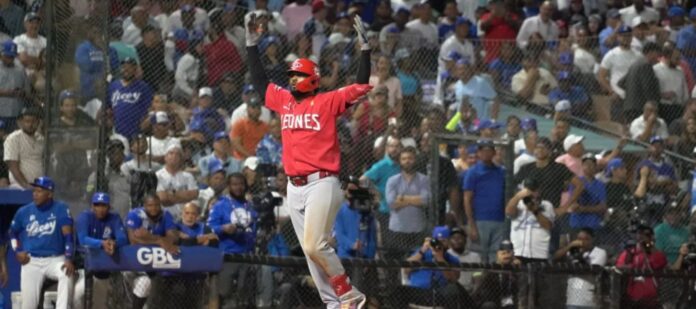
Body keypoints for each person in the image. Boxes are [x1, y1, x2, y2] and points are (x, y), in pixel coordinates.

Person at [246, 12, 374, 307]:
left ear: (312, 78)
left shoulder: (327, 101)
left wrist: (365, 52)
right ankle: (333, 304)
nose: (293, 79)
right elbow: (259, 80)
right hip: (294, 186)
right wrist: (252, 43)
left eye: (298, 75)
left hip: (322, 182)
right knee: (311, 252)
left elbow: (358, 86)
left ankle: (348, 293)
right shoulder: (286, 102)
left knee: (314, 243)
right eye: (291, 75)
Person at [9, 177, 75, 309]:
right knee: (28, 305)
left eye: (39, 191)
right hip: (31, 261)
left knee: (66, 274)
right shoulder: (24, 211)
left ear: (49, 194)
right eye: (34, 191)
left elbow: (68, 236)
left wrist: (68, 258)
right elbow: (12, 233)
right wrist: (17, 251)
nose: (35, 194)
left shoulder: (61, 209)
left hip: (55, 259)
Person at [207, 173, 258, 307]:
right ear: (229, 186)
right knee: (225, 292)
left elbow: (255, 228)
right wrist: (223, 228)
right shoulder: (220, 205)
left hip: (247, 255)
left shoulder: (250, 206)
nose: (238, 187)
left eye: (241, 184)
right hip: (228, 255)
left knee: (245, 293)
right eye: (234, 184)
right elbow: (209, 228)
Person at [73, 192, 128, 309]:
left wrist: (114, 243)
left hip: (103, 268)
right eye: (97, 205)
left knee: (99, 303)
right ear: (92, 206)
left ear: (109, 207)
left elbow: (123, 239)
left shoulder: (114, 218)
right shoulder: (84, 217)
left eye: (104, 206)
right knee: (78, 295)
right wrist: (102, 243)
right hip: (83, 266)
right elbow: (83, 239)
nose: (101, 209)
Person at [125, 194, 179, 309]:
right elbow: (133, 240)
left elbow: (173, 238)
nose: (153, 208)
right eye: (150, 205)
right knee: (143, 284)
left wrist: (150, 237)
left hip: (155, 264)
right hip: (133, 263)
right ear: (144, 205)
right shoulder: (135, 214)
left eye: (156, 205)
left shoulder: (165, 214)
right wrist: (159, 240)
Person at [397, 226, 466, 309]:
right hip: (419, 292)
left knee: (453, 289)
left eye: (443, 241)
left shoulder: (452, 259)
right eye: (437, 241)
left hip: (438, 294)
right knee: (398, 291)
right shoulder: (422, 253)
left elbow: (453, 279)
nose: (439, 244)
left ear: (448, 243)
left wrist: (440, 258)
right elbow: (405, 269)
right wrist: (422, 251)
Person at [463, 140, 506, 263]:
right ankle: (479, 282)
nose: (486, 153)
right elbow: (467, 199)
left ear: (494, 152)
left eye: (489, 150)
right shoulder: (472, 172)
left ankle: (493, 281)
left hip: (499, 220)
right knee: (478, 258)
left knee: (496, 256)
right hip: (479, 220)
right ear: (479, 153)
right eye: (483, 150)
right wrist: (471, 224)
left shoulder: (501, 172)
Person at [553, 228, 608, 309]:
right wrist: (569, 246)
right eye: (579, 239)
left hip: (590, 300)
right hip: (572, 299)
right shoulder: (573, 251)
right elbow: (555, 258)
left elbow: (591, 270)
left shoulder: (599, 252)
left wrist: (579, 257)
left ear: (592, 239)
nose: (582, 242)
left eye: (586, 239)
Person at [615, 225, 668, 308]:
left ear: (652, 237)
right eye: (639, 234)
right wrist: (631, 266)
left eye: (646, 235)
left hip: (651, 300)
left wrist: (649, 247)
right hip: (630, 299)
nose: (642, 237)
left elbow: (660, 263)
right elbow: (618, 268)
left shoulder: (656, 253)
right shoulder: (629, 253)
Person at [106, 57, 154, 139]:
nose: (126, 69)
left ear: (135, 69)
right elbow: (108, 108)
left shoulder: (143, 87)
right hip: (117, 132)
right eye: (124, 67)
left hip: (136, 133)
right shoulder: (113, 86)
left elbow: (150, 108)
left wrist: (144, 124)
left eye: (130, 67)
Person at [155, 144, 199, 221]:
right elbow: (163, 199)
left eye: (177, 154)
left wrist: (171, 194)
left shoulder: (188, 176)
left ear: (181, 159)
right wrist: (185, 197)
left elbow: (194, 194)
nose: (174, 156)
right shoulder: (157, 176)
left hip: (185, 218)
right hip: (164, 217)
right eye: (171, 153)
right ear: (165, 157)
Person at [3, 107, 42, 189]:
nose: (30, 125)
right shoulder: (13, 138)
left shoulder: (41, 139)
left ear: (38, 123)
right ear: (20, 123)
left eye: (34, 121)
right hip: (20, 186)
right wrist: (26, 185)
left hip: (41, 185)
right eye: (27, 121)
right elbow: (13, 166)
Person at [473, 240, 519, 309]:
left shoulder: (517, 269)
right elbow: (481, 291)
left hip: (510, 303)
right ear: (498, 254)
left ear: (513, 254)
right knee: (489, 305)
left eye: (509, 253)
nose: (506, 256)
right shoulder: (491, 269)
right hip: (492, 301)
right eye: (503, 253)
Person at [446, 227, 481, 293]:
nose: (456, 240)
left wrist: (475, 291)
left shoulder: (475, 256)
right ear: (449, 240)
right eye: (453, 238)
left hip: (468, 290)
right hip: (451, 291)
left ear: (465, 240)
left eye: (459, 237)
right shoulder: (446, 255)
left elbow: (477, 275)